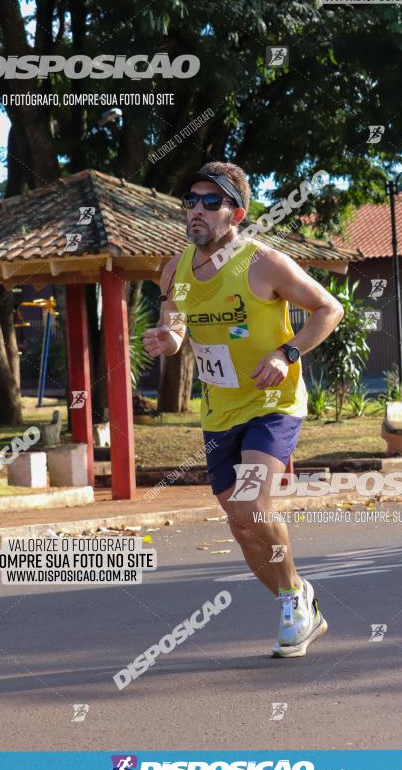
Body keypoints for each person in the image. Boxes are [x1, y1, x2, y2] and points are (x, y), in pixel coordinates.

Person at [143, 161, 344, 657]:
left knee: (254, 505)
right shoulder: (176, 270)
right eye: (191, 199)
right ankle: (294, 599)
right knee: (239, 522)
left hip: (273, 404)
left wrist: (287, 352)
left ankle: (295, 601)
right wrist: (166, 340)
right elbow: (175, 328)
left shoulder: (263, 264)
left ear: (237, 213)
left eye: (212, 202)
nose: (197, 210)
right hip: (219, 411)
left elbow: (329, 309)